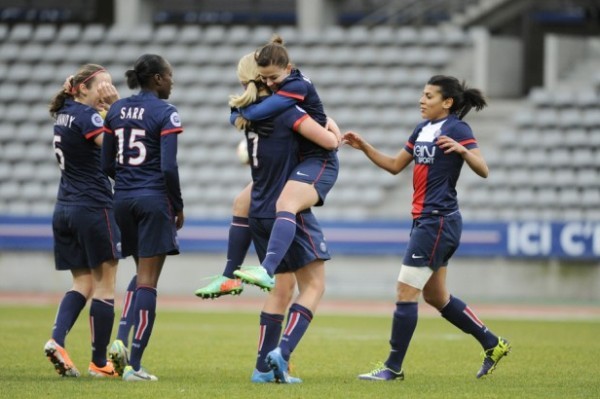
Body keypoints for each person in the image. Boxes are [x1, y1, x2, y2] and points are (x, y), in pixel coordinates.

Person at [343, 75, 511, 381]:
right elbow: (395, 165)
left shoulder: (458, 128)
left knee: (405, 291)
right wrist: (365, 147)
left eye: (429, 96)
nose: (422, 100)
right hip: (425, 220)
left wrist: (462, 151)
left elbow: (483, 169)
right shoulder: (422, 129)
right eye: (422, 94)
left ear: (447, 102)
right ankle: (492, 343)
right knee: (436, 297)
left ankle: (392, 368)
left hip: (438, 220)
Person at [194, 35, 340, 299]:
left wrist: (240, 115)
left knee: (285, 205)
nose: (271, 83)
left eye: (274, 78)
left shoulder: (287, 97)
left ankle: (266, 269)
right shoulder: (277, 99)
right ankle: (229, 276)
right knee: (241, 203)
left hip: (315, 160)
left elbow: (329, 141)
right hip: (293, 162)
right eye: (267, 79)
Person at [229, 51, 339, 384]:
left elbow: (239, 203)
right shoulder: (287, 108)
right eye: (267, 78)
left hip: (260, 204)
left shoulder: (248, 116)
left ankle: (262, 368)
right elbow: (330, 142)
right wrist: (332, 126)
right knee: (315, 285)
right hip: (287, 200)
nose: (272, 82)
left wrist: (239, 107)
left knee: (281, 289)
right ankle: (282, 353)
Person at [101, 54, 185, 382]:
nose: (172, 81)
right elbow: (168, 166)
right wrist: (177, 204)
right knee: (149, 281)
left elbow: (106, 164)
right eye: (170, 76)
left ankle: (120, 341)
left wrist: (127, 182)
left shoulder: (116, 110)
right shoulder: (166, 112)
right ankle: (134, 365)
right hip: (153, 200)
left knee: (138, 273)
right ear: (158, 79)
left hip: (122, 199)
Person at [45, 64, 121, 378]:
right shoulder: (87, 117)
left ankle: (57, 341)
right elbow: (116, 150)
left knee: (83, 283)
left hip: (64, 209)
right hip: (93, 208)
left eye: (110, 84)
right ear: (83, 89)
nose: (106, 89)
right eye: (102, 85)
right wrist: (116, 109)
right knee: (105, 287)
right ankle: (100, 363)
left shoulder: (65, 111)